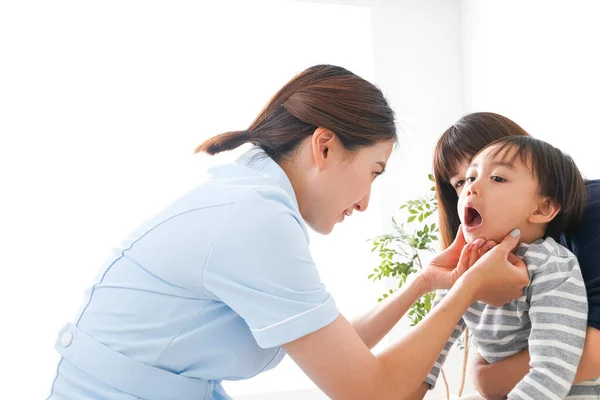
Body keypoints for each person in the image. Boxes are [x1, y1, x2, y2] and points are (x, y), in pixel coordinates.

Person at [46, 66, 528, 400]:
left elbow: (339, 349)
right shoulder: (253, 219)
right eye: (374, 171)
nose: (364, 202)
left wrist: (424, 282)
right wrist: (468, 289)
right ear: (324, 146)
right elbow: (368, 390)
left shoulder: (250, 198)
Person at [412, 135, 600, 399]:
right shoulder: (463, 267)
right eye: (468, 179)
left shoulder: (553, 266)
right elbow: (429, 350)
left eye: (497, 178)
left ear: (543, 208)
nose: (471, 188)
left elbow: (552, 370)